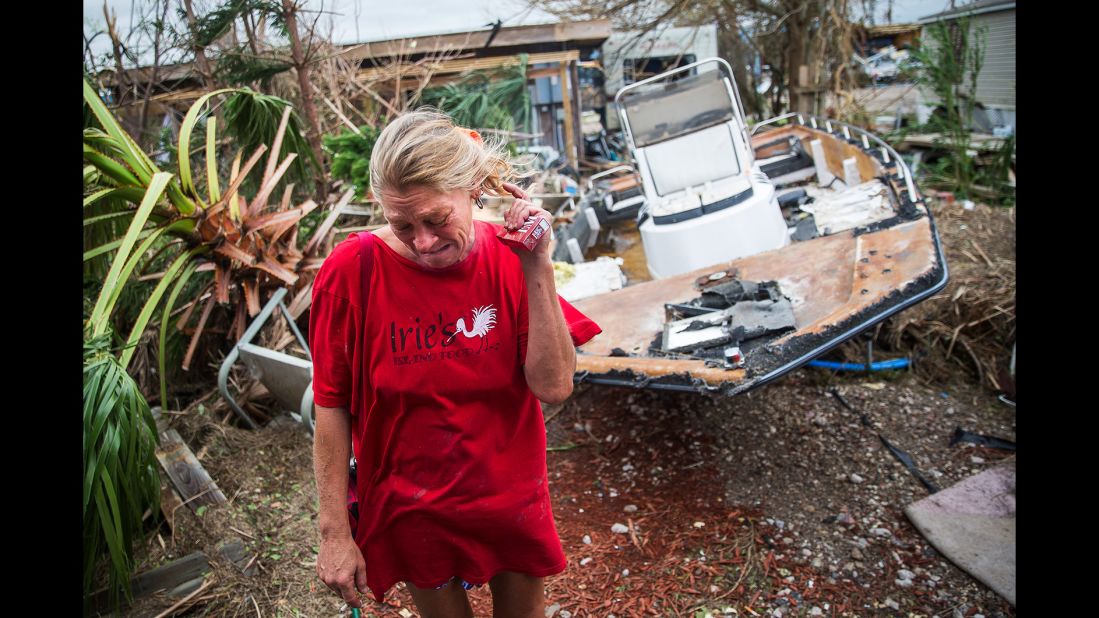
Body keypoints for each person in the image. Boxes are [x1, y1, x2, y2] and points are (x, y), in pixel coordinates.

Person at [309, 108, 601, 617]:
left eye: (436, 219)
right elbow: (331, 404)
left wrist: (537, 261)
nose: (423, 242)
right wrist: (334, 531)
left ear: (472, 190)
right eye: (402, 225)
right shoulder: (351, 272)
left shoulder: (512, 256)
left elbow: (553, 386)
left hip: (509, 491)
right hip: (410, 501)